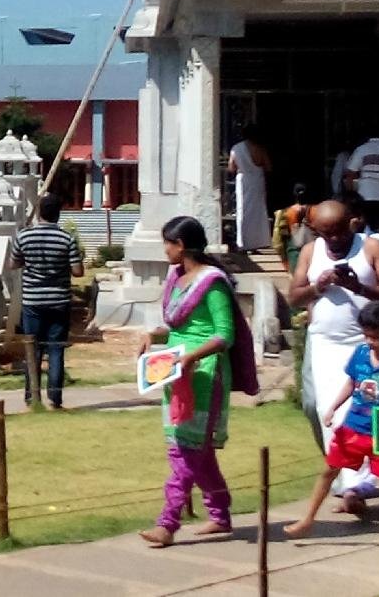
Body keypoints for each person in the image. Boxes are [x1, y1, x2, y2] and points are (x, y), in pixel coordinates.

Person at [138, 216, 259, 548]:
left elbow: (224, 335)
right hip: (176, 372)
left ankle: (167, 523)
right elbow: (180, 328)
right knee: (195, 451)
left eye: (167, 243)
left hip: (205, 373)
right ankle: (220, 515)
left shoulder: (213, 283)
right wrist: (154, 334)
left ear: (180, 246)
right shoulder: (177, 278)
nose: (164, 250)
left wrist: (192, 357)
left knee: (185, 451)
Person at [291, 199, 379, 504]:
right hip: (324, 342)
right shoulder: (310, 251)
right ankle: (344, 472)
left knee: (360, 409)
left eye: (339, 232)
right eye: (326, 233)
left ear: (352, 224)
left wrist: (358, 287)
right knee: (319, 408)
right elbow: (293, 297)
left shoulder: (370, 247)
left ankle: (356, 485)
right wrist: (317, 287)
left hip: (365, 341)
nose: (333, 239)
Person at [284, 300, 379, 536]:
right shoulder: (360, 354)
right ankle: (308, 519)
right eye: (366, 336)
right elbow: (352, 383)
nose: (370, 342)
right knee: (329, 470)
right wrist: (332, 408)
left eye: (376, 337)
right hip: (354, 426)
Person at [12, 193, 83, 409]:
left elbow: (13, 264)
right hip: (59, 300)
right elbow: (78, 271)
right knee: (55, 349)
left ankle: (31, 396)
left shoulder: (23, 236)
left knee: (32, 350)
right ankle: (55, 398)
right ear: (58, 214)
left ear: (40, 213)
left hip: (32, 301)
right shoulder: (66, 238)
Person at [228, 124, 272, 251]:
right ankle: (257, 241)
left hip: (243, 180)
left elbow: (231, 167)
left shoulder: (236, 148)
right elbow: (268, 166)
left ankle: (243, 242)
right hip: (257, 180)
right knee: (257, 211)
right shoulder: (260, 148)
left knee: (243, 209)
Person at [345, 133, 379, 235]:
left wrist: (350, 194)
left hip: (367, 194)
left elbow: (351, 172)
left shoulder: (363, 149)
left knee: (368, 226)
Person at [273, 183, 313, 274]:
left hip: (293, 252)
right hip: (310, 252)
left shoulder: (285, 213)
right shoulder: (314, 211)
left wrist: (284, 258)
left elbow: (278, 239)